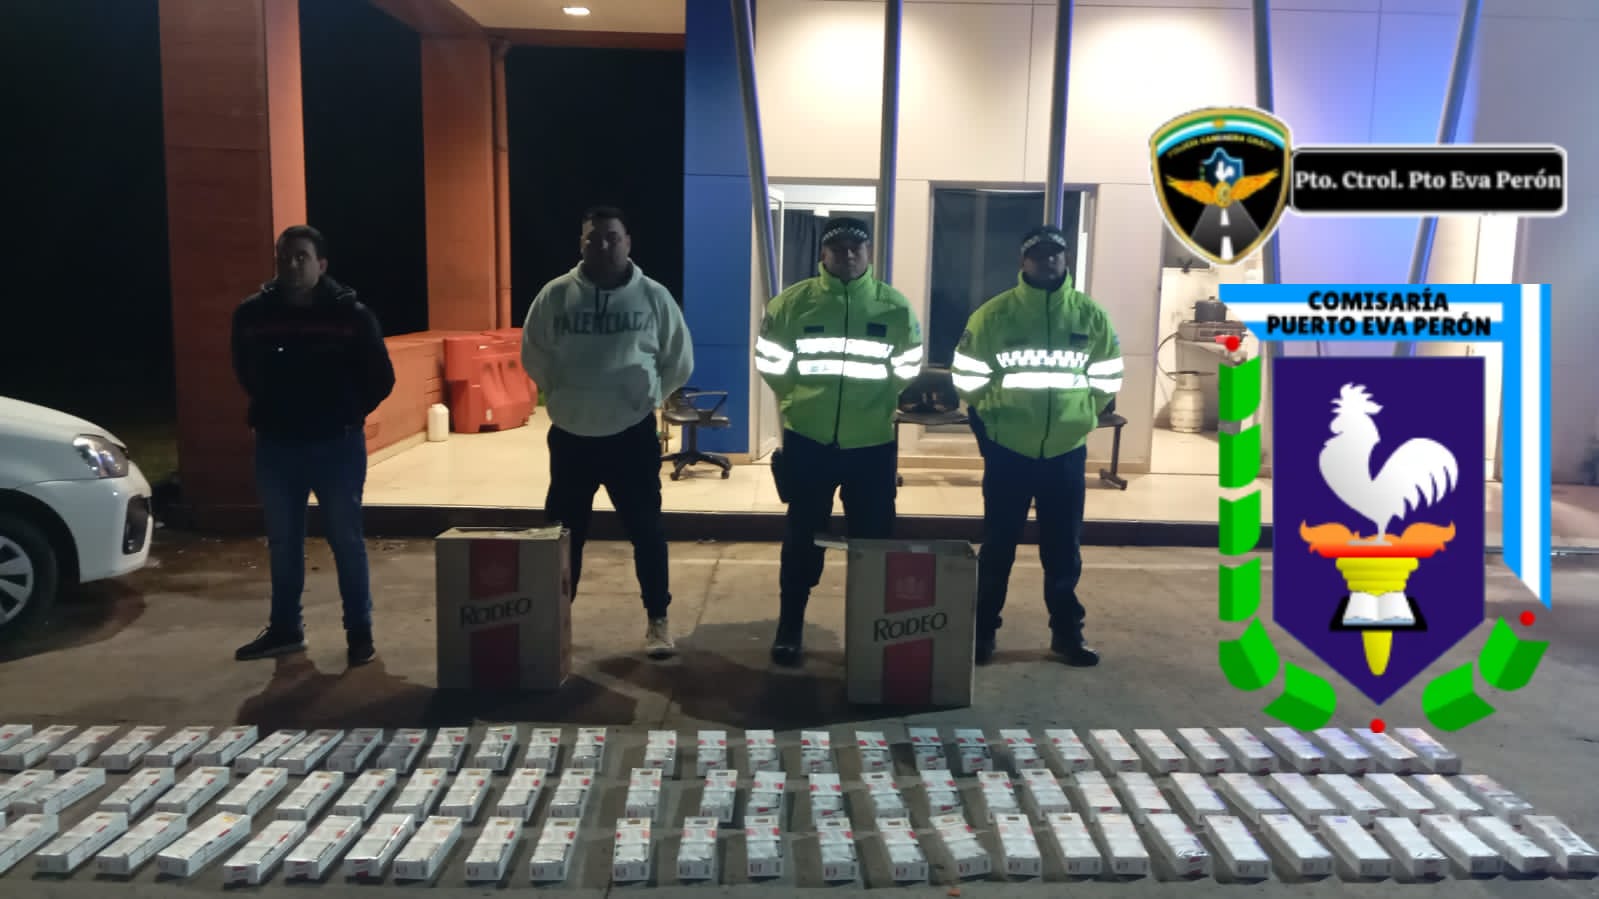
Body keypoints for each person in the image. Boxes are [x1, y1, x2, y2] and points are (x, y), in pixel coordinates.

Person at [522, 205, 694, 660]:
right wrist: (562, 395)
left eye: (612, 237)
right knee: (563, 537)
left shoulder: (653, 297)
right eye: (592, 238)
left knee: (646, 531)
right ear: (581, 244)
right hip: (572, 437)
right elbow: (533, 354)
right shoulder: (556, 295)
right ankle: (555, 624)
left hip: (630, 436)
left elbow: (679, 359)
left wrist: (650, 396)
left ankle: (658, 621)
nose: (602, 246)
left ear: (628, 242)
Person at [949, 225, 1122, 668]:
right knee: (998, 548)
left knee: (1063, 551)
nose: (1047, 262)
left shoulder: (1091, 316)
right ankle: (981, 634)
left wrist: (1081, 417)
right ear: (1023, 261)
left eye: (1054, 254)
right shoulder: (994, 316)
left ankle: (1067, 635)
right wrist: (994, 426)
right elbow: (967, 379)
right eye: (1038, 255)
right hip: (1009, 451)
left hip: (1065, 452)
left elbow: (1106, 379)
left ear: (1066, 259)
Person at [755, 217, 924, 667]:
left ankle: (872, 634)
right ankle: (790, 626)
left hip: (871, 444)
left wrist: (876, 405)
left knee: (874, 543)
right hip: (809, 441)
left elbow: (907, 369)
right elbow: (771, 364)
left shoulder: (894, 307)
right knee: (802, 538)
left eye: (856, 247)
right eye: (839, 247)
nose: (848, 255)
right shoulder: (792, 304)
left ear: (868, 253)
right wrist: (798, 403)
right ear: (823, 253)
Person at [230, 225, 396, 666]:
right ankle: (285, 629)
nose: (291, 265)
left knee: (346, 540)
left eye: (301, 257)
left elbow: (381, 378)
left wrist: (345, 412)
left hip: (336, 447)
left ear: (321, 264)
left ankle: (359, 634)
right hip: (277, 447)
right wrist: (275, 408)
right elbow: (245, 371)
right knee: (283, 542)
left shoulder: (352, 315)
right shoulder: (253, 315)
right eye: (284, 257)